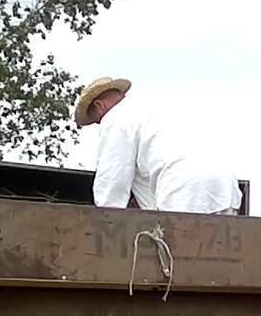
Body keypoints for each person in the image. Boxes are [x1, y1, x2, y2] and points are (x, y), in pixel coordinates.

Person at [73, 77, 243, 215]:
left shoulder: (115, 118)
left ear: (99, 106)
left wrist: (107, 225)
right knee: (218, 254)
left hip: (184, 193)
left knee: (180, 253)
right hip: (225, 189)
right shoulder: (154, 110)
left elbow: (112, 181)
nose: (100, 124)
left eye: (96, 120)